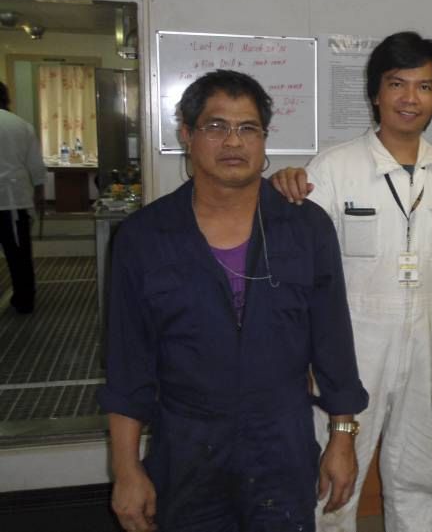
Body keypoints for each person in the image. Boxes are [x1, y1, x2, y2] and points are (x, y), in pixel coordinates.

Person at [270, 31, 432, 532]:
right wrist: (280, 187)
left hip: (428, 341)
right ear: (376, 92)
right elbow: (293, 255)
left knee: (418, 472)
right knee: (335, 475)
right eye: (397, 84)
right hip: (352, 344)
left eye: (424, 87)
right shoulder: (336, 168)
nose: (410, 99)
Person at [98, 70, 368, 532]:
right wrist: (126, 469)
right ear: (187, 134)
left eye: (248, 129)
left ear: (264, 140)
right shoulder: (143, 238)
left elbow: (333, 346)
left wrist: (342, 438)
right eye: (216, 126)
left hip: (281, 443)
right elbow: (127, 365)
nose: (233, 142)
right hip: (187, 445)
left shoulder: (305, 228)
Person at [0, 80, 45, 314]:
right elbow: (36, 167)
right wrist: (39, 195)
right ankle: (24, 299)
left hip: (11, 199)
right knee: (19, 256)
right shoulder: (20, 126)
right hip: (13, 202)